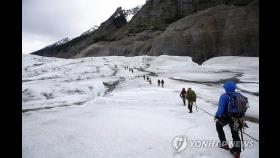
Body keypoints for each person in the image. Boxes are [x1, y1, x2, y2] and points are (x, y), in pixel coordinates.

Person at [214, 81, 244, 158]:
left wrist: (216, 116)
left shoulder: (224, 96)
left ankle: (224, 144)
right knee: (235, 134)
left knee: (218, 126)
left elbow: (220, 109)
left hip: (226, 118)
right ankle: (237, 152)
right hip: (237, 118)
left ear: (226, 88)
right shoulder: (239, 95)